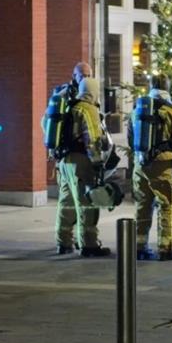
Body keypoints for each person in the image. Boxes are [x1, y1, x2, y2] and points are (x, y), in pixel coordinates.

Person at [130, 75, 172, 261]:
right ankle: (166, 248)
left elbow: (130, 137)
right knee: (166, 204)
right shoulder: (171, 110)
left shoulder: (137, 109)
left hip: (140, 164)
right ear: (168, 86)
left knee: (143, 204)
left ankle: (139, 246)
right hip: (162, 163)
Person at [55, 75, 112, 257]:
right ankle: (89, 244)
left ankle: (63, 242)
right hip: (81, 162)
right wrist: (97, 162)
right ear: (93, 91)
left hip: (64, 162)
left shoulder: (69, 107)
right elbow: (92, 140)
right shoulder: (88, 109)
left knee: (67, 203)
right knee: (87, 204)